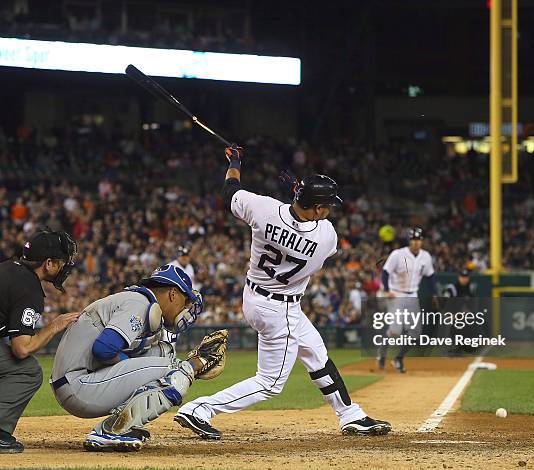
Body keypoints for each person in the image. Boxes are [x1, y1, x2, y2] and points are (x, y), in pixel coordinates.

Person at [175, 145, 391, 438]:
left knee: (316, 352)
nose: (328, 210)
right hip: (280, 308)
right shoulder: (326, 236)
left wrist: (236, 161)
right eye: (325, 206)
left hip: (255, 295)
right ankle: (200, 409)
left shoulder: (262, 209)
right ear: (316, 208)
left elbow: (230, 191)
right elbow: (309, 220)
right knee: (270, 383)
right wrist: (299, 195)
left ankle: (349, 414)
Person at [50, 264, 228, 452]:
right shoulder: (139, 303)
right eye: (185, 302)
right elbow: (103, 349)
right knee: (174, 373)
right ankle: (111, 431)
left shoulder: (140, 301)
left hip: (78, 380)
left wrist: (142, 372)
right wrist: (191, 367)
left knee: (164, 353)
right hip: (78, 386)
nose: (185, 309)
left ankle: (123, 422)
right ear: (173, 294)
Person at [0, 229, 79, 454]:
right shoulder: (28, 287)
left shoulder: (8, 268)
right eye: (62, 262)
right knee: (27, 370)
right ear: (48, 263)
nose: (64, 267)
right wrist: (54, 325)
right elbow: (22, 349)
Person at [377, 226, 437, 373]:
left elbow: (430, 277)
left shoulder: (426, 257)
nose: (416, 242)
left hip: (412, 295)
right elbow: (385, 272)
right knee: (396, 331)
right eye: (413, 239)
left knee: (416, 333)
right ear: (409, 241)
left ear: (422, 241)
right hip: (396, 294)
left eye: (418, 239)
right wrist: (386, 289)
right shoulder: (398, 254)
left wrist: (434, 294)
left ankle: (398, 358)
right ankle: (383, 351)